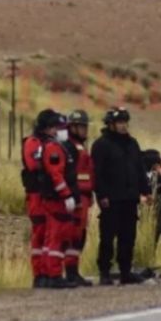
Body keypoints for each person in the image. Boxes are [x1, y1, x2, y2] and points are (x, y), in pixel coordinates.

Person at [91, 107, 151, 286]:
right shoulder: (101, 145)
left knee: (128, 236)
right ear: (110, 124)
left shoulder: (132, 143)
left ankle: (126, 271)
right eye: (119, 123)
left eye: (125, 122)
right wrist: (101, 195)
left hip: (130, 198)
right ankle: (105, 272)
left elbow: (139, 169)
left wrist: (145, 190)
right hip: (111, 199)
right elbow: (97, 173)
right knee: (108, 237)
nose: (123, 126)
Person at [22, 109, 76, 289]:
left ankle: (47, 273)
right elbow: (34, 166)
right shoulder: (34, 143)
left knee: (50, 236)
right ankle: (41, 274)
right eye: (54, 127)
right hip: (38, 195)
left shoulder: (51, 145)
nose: (57, 130)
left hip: (48, 194)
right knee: (41, 236)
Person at [63, 109, 95, 287]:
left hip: (84, 196)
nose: (85, 130)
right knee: (73, 235)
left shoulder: (80, 146)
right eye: (82, 127)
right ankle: (70, 272)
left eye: (85, 127)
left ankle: (73, 271)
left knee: (80, 235)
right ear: (73, 127)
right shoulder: (69, 147)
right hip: (76, 197)